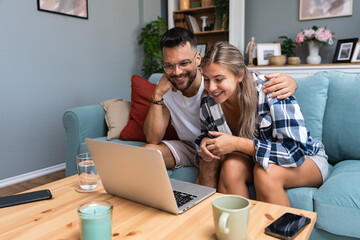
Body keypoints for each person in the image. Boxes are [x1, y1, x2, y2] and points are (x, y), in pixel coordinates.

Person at [143, 27, 298, 188]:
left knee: (212, 155)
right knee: (147, 153)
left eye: (184, 63)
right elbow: (153, 139)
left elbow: (242, 77)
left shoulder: (213, 82)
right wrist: (157, 95)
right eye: (169, 65)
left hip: (221, 145)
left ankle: (198, 208)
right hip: (192, 145)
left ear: (197, 59)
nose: (177, 72)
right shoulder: (170, 86)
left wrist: (292, 82)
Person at [196, 41, 329, 206]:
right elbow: (207, 135)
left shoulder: (272, 90)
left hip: (305, 157)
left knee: (265, 172)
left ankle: (282, 231)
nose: (211, 87)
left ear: (240, 75)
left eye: (219, 79)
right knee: (231, 168)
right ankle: (242, 230)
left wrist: (237, 143)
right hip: (254, 159)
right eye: (206, 79)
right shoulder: (208, 101)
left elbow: (294, 152)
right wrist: (204, 143)